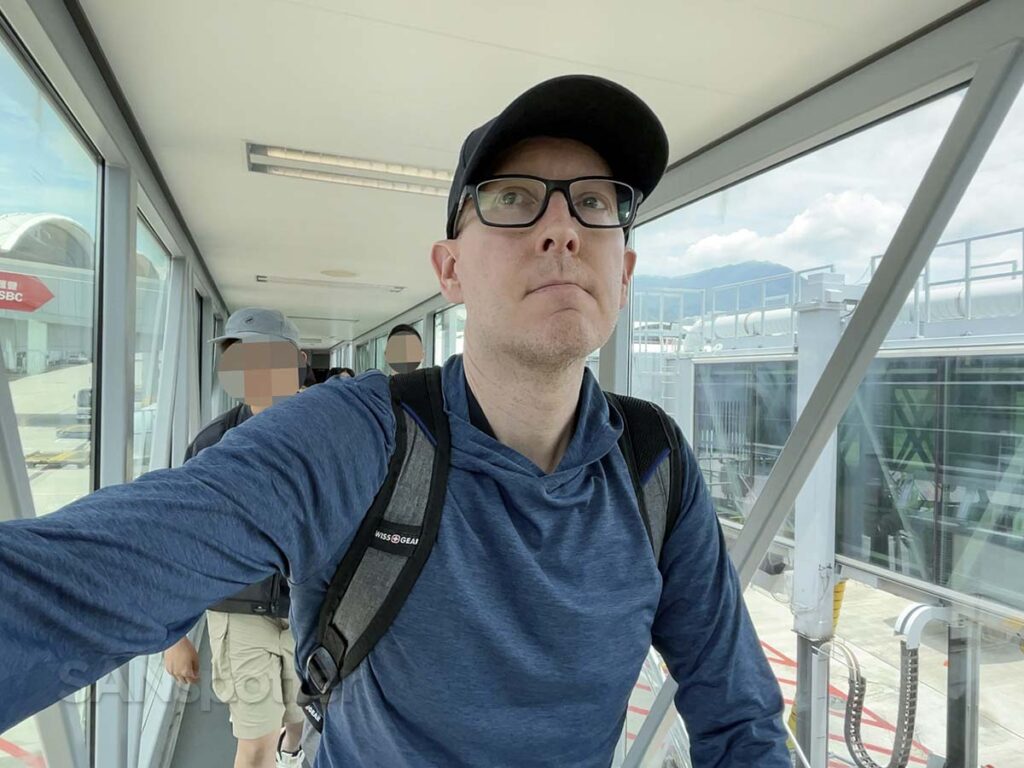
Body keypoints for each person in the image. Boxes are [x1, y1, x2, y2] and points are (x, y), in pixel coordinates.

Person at [0, 74, 789, 766]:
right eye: (514, 198)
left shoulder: (653, 466)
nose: (563, 228)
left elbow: (740, 717)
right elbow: (78, 583)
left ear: (623, 268)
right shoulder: (356, 440)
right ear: (449, 270)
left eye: (595, 202)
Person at [163, 307, 307, 768]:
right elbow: (184, 538)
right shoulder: (214, 444)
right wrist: (174, 633)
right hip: (239, 611)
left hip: (312, 606)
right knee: (254, 740)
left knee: (300, 711)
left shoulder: (328, 431)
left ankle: (293, 749)